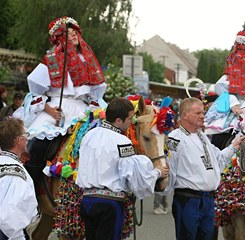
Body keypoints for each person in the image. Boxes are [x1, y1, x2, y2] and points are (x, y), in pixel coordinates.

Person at [13, 17, 106, 195]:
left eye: (74, 33)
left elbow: (96, 94)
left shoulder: (88, 59)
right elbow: (36, 91)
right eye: (68, 34)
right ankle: (31, 193)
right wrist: (49, 110)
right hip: (55, 108)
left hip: (83, 111)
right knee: (39, 144)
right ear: (59, 38)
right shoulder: (50, 60)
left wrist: (93, 112)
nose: (73, 37)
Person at [76, 98, 168, 239]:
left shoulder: (89, 135)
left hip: (87, 200)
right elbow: (130, 175)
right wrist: (157, 173)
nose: (131, 122)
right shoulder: (122, 141)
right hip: (109, 204)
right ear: (118, 120)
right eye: (129, 119)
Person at [165, 98, 245, 240]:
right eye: (198, 113)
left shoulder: (203, 136)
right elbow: (169, 169)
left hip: (208, 200)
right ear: (185, 115)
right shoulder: (175, 138)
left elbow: (219, 160)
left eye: (203, 112)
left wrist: (234, 146)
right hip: (188, 199)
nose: (203, 115)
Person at [0, 118, 38, 240]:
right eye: (25, 135)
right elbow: (10, 218)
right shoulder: (15, 173)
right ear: (18, 141)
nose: (27, 138)